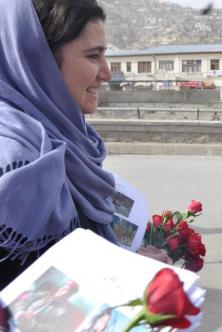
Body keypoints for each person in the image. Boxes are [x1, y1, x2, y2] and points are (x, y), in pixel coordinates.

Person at [0, 0, 168, 290]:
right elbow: (31, 308)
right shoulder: (19, 161)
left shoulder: (71, 142)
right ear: (41, 62)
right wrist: (133, 290)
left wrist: (131, 266)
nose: (107, 74)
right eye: (93, 57)